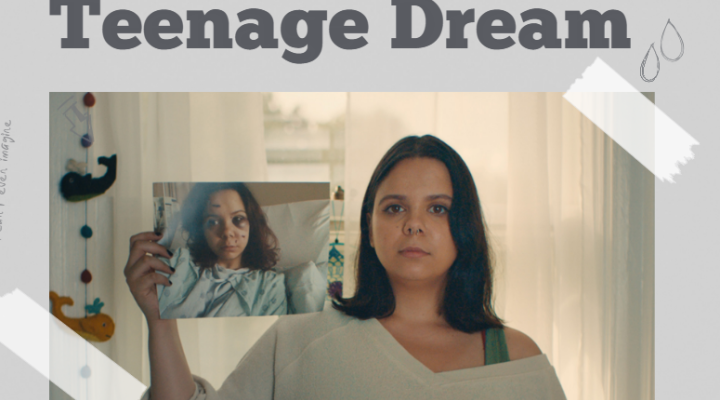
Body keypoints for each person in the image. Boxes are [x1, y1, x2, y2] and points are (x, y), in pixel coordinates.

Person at [126, 135, 566, 400]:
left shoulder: (518, 359)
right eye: (394, 208)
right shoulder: (300, 336)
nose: (413, 224)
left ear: (466, 226)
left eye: (437, 209)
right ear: (369, 228)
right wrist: (160, 322)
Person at [132, 182, 287, 319]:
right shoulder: (178, 263)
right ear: (200, 229)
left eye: (238, 219)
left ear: (252, 223)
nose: (227, 232)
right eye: (212, 221)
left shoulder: (270, 285)